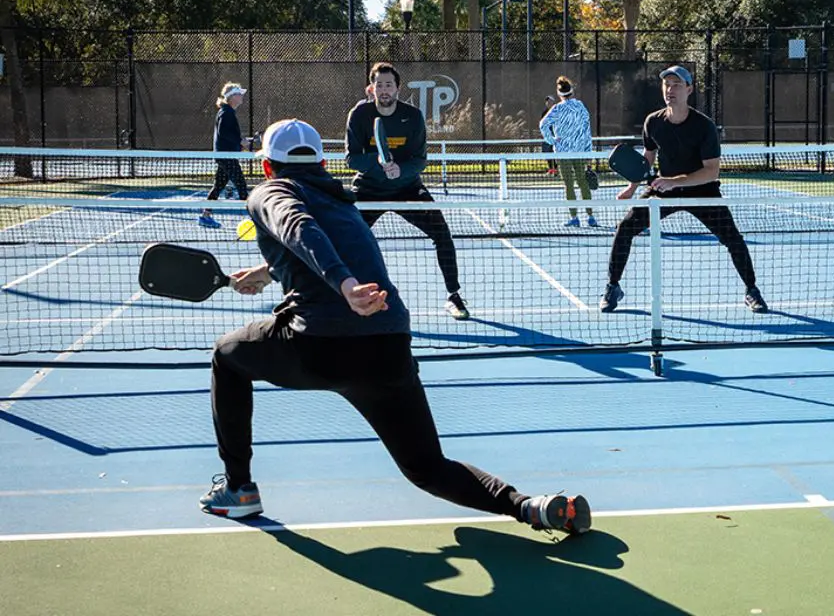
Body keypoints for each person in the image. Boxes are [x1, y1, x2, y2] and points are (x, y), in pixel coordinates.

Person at [199, 118, 591, 536]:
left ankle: (239, 490)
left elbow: (297, 226)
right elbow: (317, 241)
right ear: (323, 162)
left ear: (265, 167)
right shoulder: (341, 200)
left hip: (317, 345)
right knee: (427, 468)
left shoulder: (270, 191)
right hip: (387, 346)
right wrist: (268, 270)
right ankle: (529, 506)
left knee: (227, 355)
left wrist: (345, 285)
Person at [599, 65, 768, 314]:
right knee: (625, 228)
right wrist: (632, 187)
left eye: (677, 84)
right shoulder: (653, 122)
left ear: (689, 89)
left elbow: (711, 171)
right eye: (667, 84)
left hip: (703, 190)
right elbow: (646, 159)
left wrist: (675, 181)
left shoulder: (704, 126)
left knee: (733, 239)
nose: (671, 89)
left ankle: (752, 290)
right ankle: (613, 287)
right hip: (664, 191)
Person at [345, 62, 469, 320]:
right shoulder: (359, 115)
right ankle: (345, 296)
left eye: (389, 84)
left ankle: (453, 295)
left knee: (442, 235)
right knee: (342, 239)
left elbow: (420, 159)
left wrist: (400, 170)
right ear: (371, 88)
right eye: (379, 85)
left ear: (398, 88)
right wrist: (378, 167)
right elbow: (352, 158)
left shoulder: (412, 116)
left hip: (407, 188)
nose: (384, 90)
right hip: (368, 188)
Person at [540, 76, 598, 228]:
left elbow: (543, 124)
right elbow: (587, 131)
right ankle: (591, 217)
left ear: (559, 94)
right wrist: (588, 152)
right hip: (579, 152)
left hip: (563, 153)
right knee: (583, 183)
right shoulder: (580, 106)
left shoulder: (557, 108)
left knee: (569, 185)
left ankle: (574, 218)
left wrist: (552, 140)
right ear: (572, 92)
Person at [199, 82, 251, 229]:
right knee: (241, 186)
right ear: (232, 97)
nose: (241, 96)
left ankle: (205, 215)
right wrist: (240, 141)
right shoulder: (226, 112)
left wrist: (240, 144)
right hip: (226, 157)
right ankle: (256, 221)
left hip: (226, 156)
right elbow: (224, 132)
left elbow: (227, 135)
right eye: (239, 94)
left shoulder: (227, 111)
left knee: (218, 186)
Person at [539, 96, 558, 176]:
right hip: (547, 136)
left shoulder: (557, 111)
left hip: (556, 136)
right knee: (548, 153)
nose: (548, 103)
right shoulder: (544, 113)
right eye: (547, 102)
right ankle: (551, 170)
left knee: (555, 153)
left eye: (550, 102)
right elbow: (543, 125)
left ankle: (556, 170)